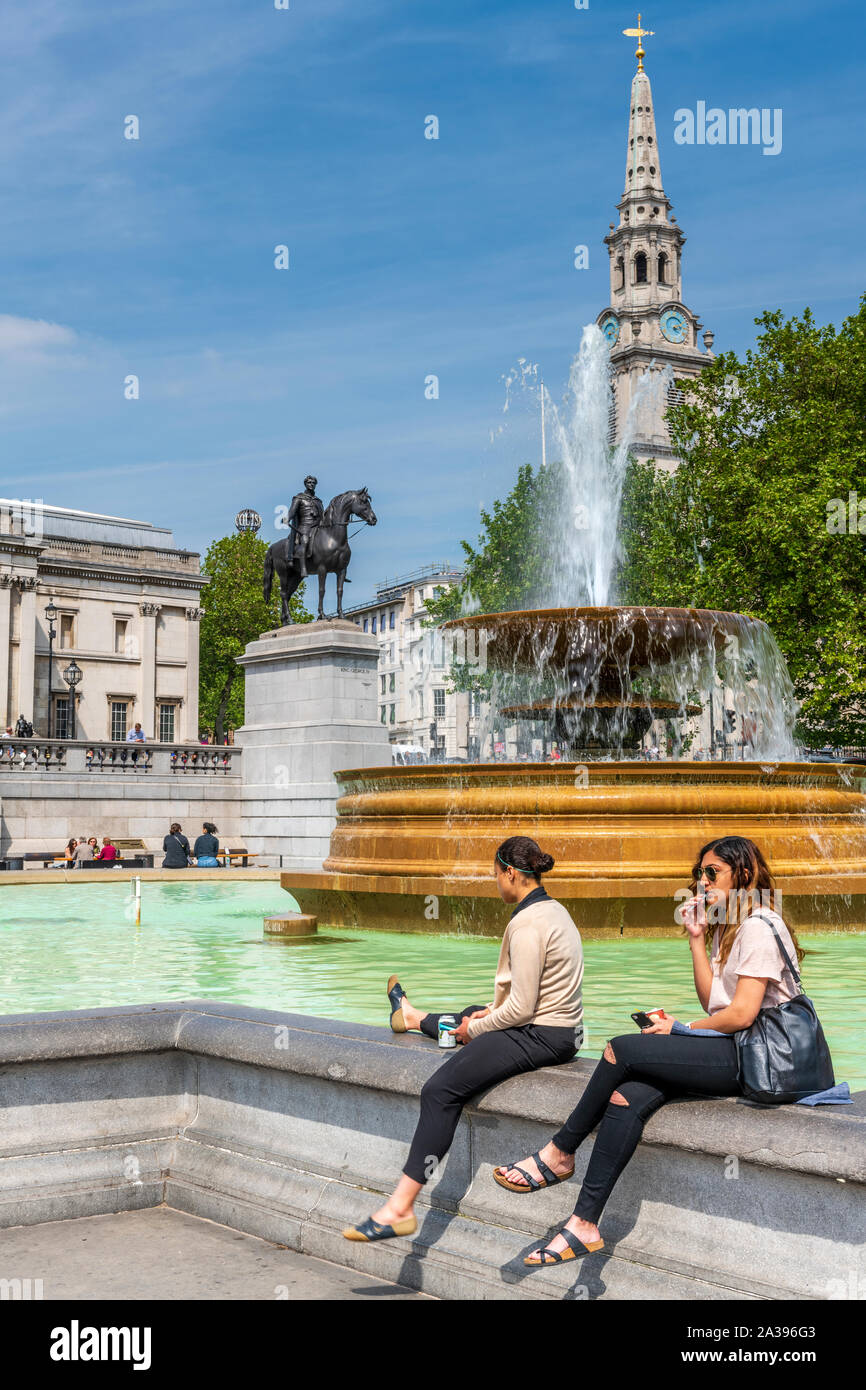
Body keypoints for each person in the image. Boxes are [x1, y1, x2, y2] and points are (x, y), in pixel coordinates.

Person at [493, 835, 808, 1268]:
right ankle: (583, 1225)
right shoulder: (730, 927)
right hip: (734, 1049)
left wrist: (679, 1029)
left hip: (759, 1058)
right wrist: (697, 938)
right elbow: (712, 1003)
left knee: (621, 1050)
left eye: (712, 872)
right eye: (699, 873)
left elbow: (740, 1015)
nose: (702, 881)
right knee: (629, 1097)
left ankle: (560, 1152)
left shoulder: (757, 925)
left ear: (745, 875)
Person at [342, 835, 584, 1244]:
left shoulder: (525, 924)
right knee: (475, 1011)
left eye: (495, 875)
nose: (495, 883)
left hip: (540, 1034)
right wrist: (486, 1016)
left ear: (510, 872)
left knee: (439, 1090)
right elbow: (528, 998)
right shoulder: (553, 909)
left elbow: (522, 1009)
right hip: (559, 1031)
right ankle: (412, 1016)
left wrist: (478, 1028)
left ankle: (399, 1209)